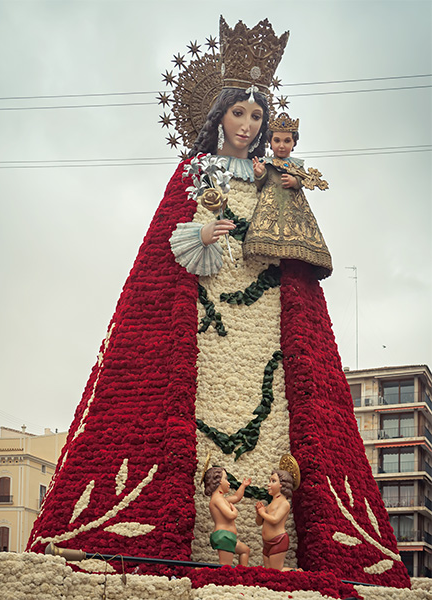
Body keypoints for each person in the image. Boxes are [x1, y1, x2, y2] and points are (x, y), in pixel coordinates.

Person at [27, 17, 409, 587]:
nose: (249, 126)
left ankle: (278, 544)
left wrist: (286, 205)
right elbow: (169, 246)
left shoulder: (273, 176)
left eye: (257, 117)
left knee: (279, 413)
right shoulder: (194, 173)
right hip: (203, 316)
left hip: (270, 318)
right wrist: (201, 236)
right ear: (218, 116)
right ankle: (199, 535)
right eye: (239, 114)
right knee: (198, 408)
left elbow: (292, 241)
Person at [246, 112, 332, 279]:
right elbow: (260, 184)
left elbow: (302, 180)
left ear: (293, 144)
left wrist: (295, 181)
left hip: (293, 206)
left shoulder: (296, 165)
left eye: (287, 141)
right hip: (270, 205)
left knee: (296, 231)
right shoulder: (267, 164)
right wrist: (259, 174)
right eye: (277, 140)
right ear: (270, 142)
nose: (281, 145)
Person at [204, 467, 251, 566]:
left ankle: (242, 573)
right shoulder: (217, 499)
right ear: (219, 481)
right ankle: (199, 572)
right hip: (224, 536)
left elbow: (236, 497)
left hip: (229, 536)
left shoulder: (222, 499)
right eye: (226, 479)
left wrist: (243, 486)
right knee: (226, 566)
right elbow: (230, 515)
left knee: (245, 550)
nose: (229, 483)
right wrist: (234, 511)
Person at [255, 470, 293, 570]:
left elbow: (275, 520)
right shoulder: (271, 503)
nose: (269, 484)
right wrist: (259, 513)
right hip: (266, 542)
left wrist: (263, 513)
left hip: (278, 541)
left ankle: (296, 572)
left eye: (273, 481)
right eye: (270, 481)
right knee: (268, 572)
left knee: (276, 571)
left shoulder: (284, 503)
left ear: (282, 484)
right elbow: (259, 523)